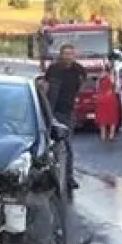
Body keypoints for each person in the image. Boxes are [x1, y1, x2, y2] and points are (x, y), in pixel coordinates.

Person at [41, 44, 85, 189]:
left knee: (67, 145)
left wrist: (76, 98)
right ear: (61, 54)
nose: (68, 56)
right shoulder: (53, 69)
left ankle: (69, 177)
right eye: (66, 54)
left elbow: (83, 84)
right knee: (47, 144)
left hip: (67, 112)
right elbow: (46, 86)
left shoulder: (78, 70)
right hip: (51, 110)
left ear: (74, 55)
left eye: (71, 54)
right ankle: (46, 176)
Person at [94, 65, 120, 142]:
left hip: (101, 98)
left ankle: (103, 135)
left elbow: (96, 87)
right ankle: (111, 135)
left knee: (102, 116)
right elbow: (115, 86)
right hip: (110, 98)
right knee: (112, 116)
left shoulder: (99, 77)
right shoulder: (111, 76)